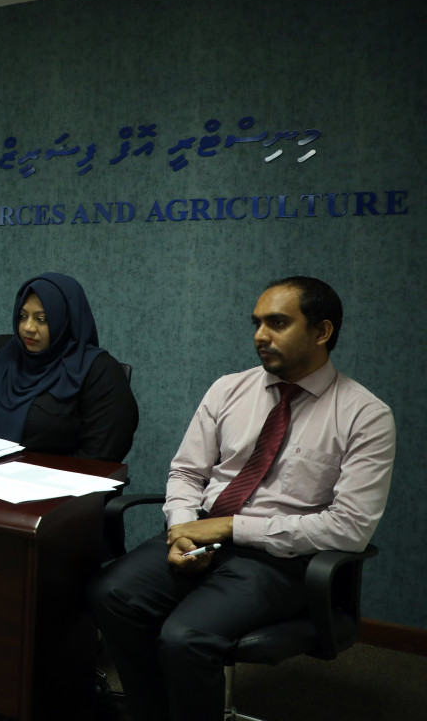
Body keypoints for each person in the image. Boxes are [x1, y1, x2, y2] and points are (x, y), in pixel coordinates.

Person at [89, 276, 396, 721]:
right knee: (110, 592)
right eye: (256, 323)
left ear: (322, 331)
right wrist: (181, 528)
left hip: (279, 560)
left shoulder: (364, 415)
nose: (260, 336)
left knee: (185, 636)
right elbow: (187, 472)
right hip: (199, 534)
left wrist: (232, 526)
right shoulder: (228, 389)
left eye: (277, 323)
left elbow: (350, 528)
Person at [0, 272, 138, 461]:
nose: (28, 328)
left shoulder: (100, 371)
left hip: (52, 483)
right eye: (23, 316)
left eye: (42, 319)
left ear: (66, 320)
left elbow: (101, 456)